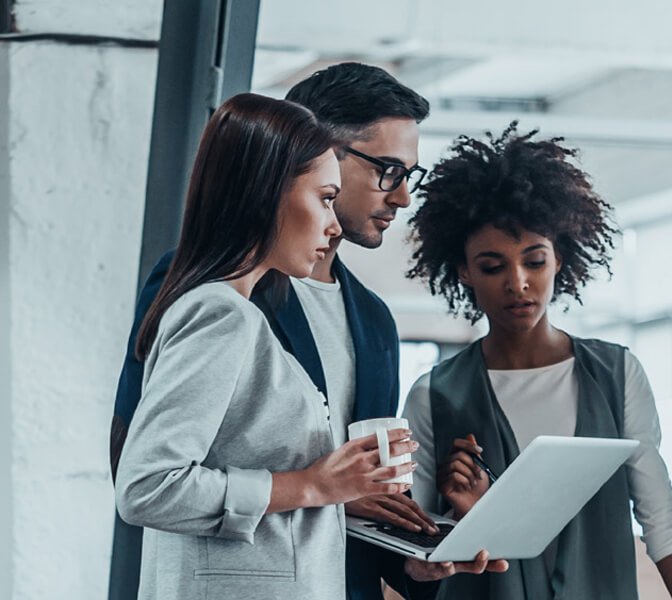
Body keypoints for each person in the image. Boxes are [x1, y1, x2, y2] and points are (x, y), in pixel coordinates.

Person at [108, 63, 502, 600]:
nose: (403, 197)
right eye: (389, 170)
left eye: (411, 174)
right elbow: (141, 468)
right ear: (314, 150)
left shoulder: (375, 321)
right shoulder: (215, 294)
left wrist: (414, 555)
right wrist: (313, 488)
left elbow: (356, 491)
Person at [402, 123, 672, 600]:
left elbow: (664, 523)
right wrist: (462, 521)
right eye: (492, 266)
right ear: (463, 270)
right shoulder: (434, 394)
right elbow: (416, 557)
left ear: (559, 260)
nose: (518, 282)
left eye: (534, 261)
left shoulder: (616, 375)